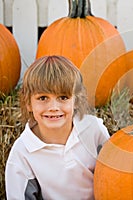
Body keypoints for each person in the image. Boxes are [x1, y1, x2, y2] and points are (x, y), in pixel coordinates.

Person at [5, 55, 110, 199]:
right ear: (28, 103)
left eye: (63, 98)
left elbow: (114, 177)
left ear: (76, 100)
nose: (53, 107)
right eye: (43, 98)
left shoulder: (93, 130)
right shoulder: (23, 152)